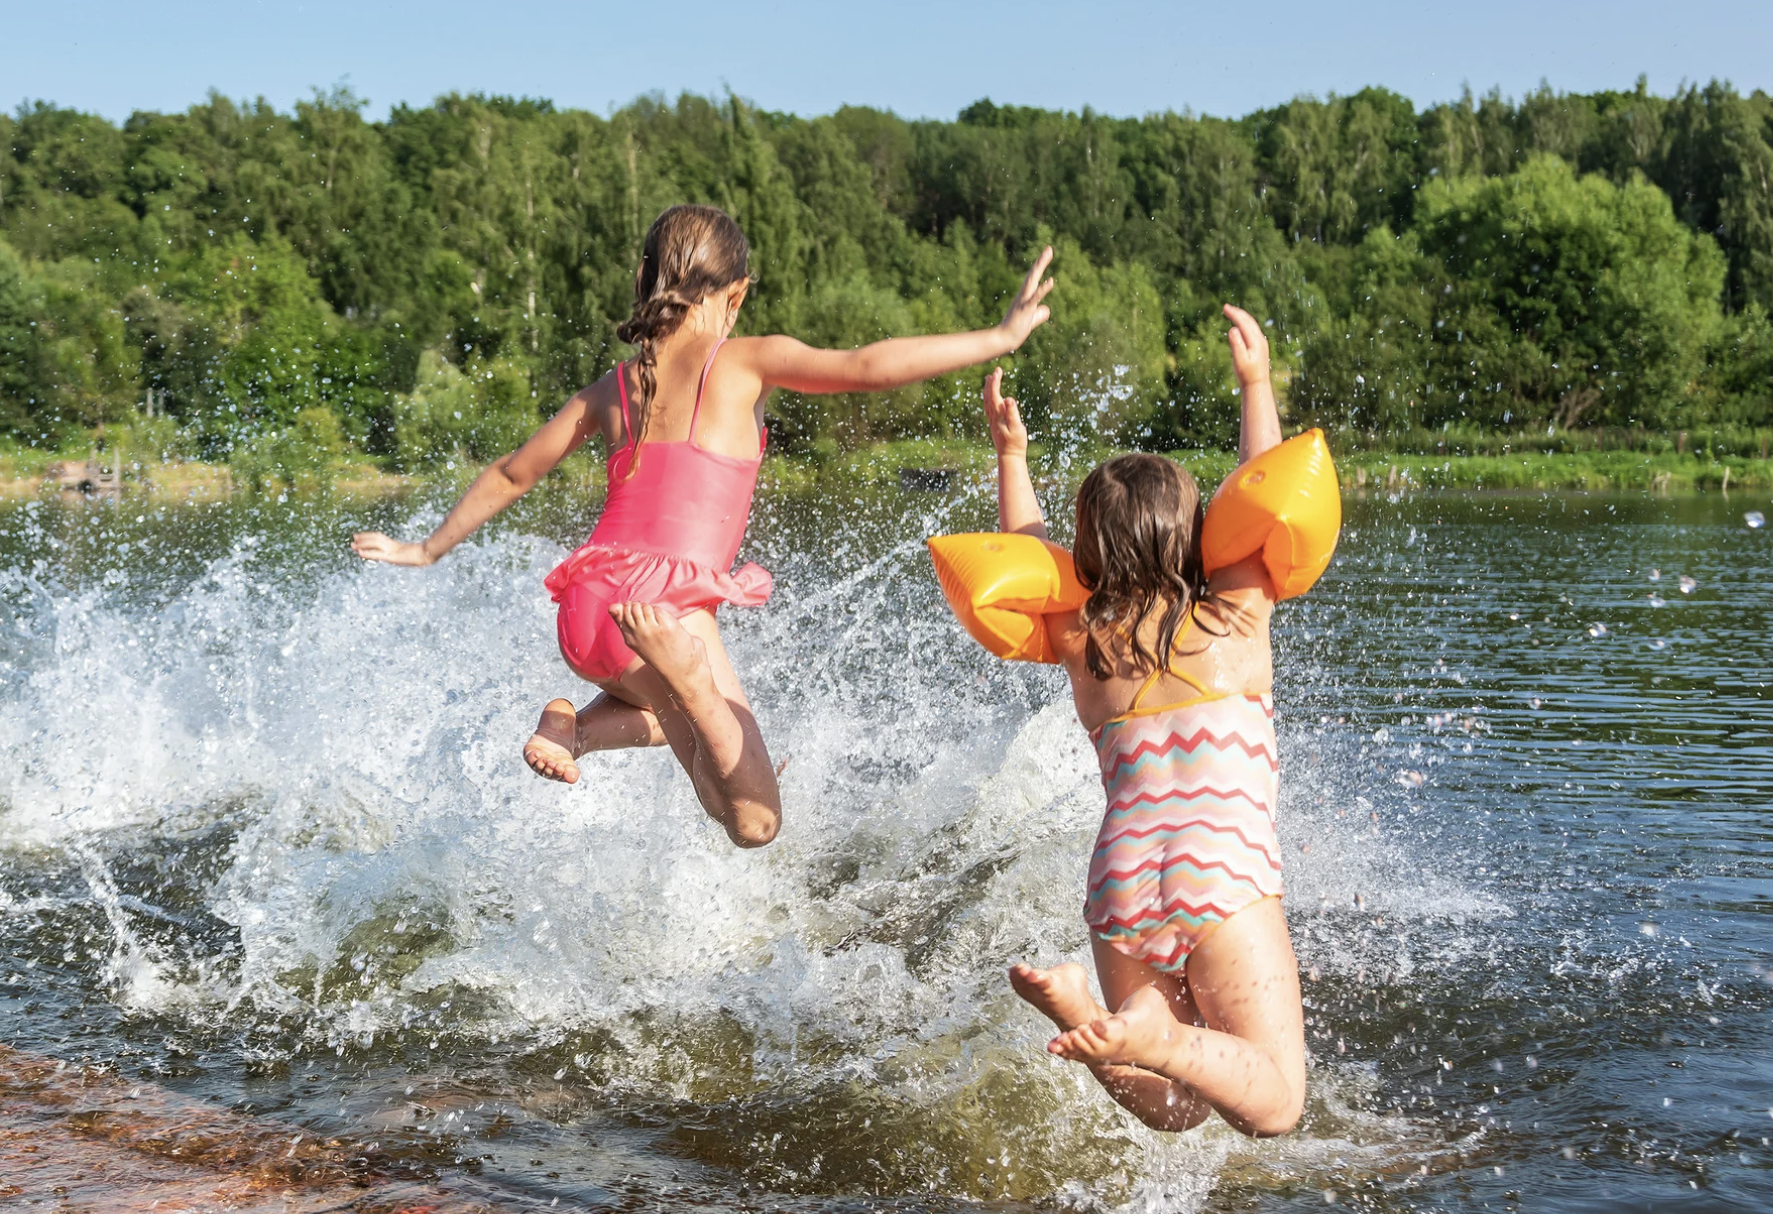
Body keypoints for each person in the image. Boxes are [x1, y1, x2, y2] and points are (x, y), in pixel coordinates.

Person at [353, 204, 1055, 848]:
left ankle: (576, 725)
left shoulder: (611, 387)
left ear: (644, 279)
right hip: (665, 612)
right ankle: (688, 698)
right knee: (754, 819)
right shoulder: (743, 361)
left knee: (669, 724)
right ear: (736, 295)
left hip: (587, 609)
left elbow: (512, 473)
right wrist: (1000, 336)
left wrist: (426, 548)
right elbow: (867, 367)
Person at [990, 305, 1307, 1136]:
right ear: (1194, 536)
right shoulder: (1235, 617)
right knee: (1275, 1104)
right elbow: (1267, 489)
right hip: (1220, 870)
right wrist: (1255, 382)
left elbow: (1030, 559)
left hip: (1122, 877)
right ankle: (1156, 1039)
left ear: (1091, 555)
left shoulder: (1083, 644)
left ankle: (1087, 1016)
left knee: (1175, 1113)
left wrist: (1012, 456)